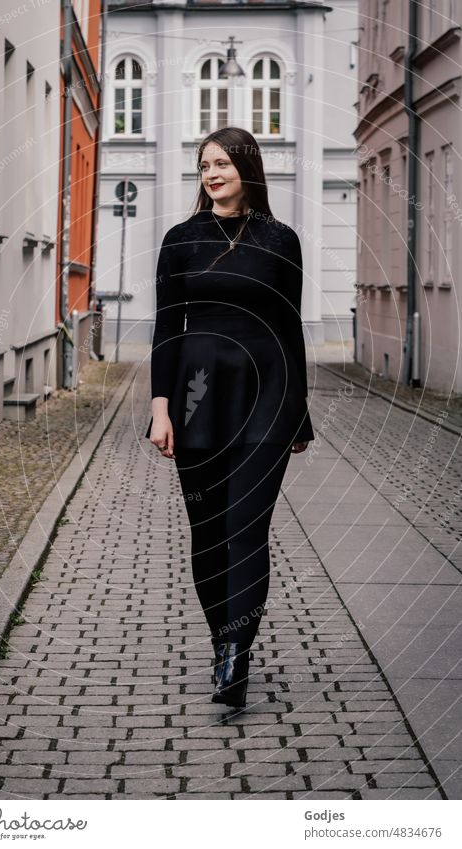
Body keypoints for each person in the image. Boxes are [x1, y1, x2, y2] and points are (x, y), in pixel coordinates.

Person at [144, 127, 314, 710]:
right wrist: (160, 408)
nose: (212, 173)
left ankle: (237, 654)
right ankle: (222, 641)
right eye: (205, 164)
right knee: (207, 532)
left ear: (248, 168)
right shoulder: (181, 239)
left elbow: (291, 328)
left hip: (269, 394)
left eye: (223, 163)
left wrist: (303, 414)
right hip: (197, 396)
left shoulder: (281, 240)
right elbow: (167, 327)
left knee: (245, 528)